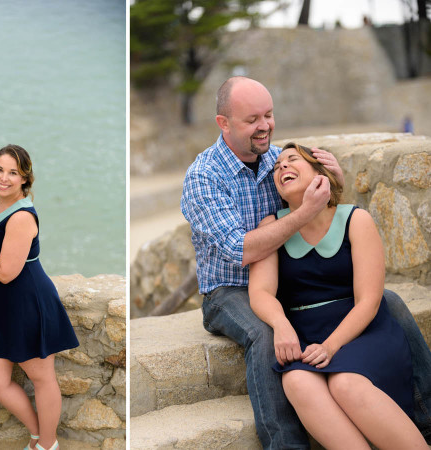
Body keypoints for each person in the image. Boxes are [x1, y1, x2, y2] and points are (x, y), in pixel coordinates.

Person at [180, 76, 431, 448]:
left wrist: (333, 184)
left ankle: (425, 417)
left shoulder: (276, 158)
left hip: (286, 279)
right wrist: (303, 213)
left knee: (387, 301)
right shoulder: (204, 176)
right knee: (263, 334)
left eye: (268, 115)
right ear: (225, 123)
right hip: (229, 287)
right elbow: (241, 250)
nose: (264, 126)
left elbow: (315, 195)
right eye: (252, 120)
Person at [249, 142, 425, 449]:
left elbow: (369, 301)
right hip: (305, 334)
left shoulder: (356, 219)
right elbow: (261, 291)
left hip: (361, 330)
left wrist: (331, 346)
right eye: (277, 167)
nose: (282, 168)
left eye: (292, 160)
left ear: (320, 174)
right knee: (296, 381)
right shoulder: (273, 226)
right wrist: (281, 324)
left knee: (346, 384)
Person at [0, 144, 78, 450]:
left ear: (25, 178)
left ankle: (47, 446)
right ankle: (38, 434)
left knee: (41, 378)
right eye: (0, 170)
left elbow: (6, 272)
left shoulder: (22, 216)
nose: (4, 178)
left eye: (13, 172)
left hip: (26, 302)